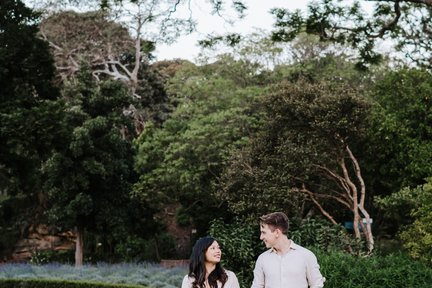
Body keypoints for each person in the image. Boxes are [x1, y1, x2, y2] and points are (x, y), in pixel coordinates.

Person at [251, 212, 325, 288]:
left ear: (277, 232)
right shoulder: (262, 259)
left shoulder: (306, 256)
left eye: (264, 232)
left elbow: (317, 285)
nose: (261, 237)